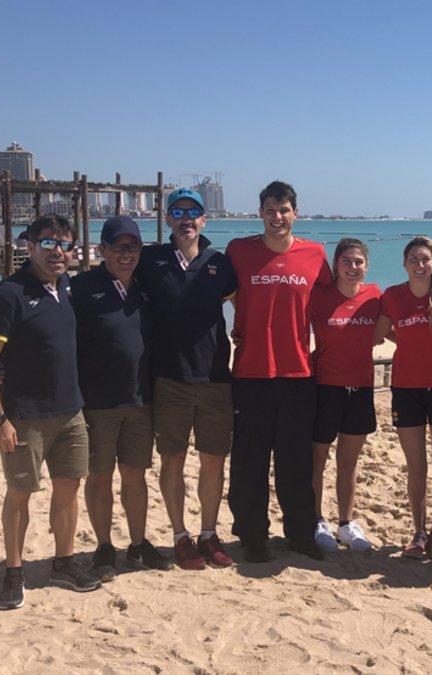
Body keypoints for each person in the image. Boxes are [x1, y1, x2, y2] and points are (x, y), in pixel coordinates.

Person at [0, 214, 100, 610]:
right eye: (48, 243)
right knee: (19, 494)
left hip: (70, 412)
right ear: (29, 247)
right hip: (24, 417)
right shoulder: (6, 295)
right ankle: (14, 572)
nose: (58, 252)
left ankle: (63, 563)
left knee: (69, 489)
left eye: (65, 244)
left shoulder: (65, 288)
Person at [226, 181, 332, 563]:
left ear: (295, 214)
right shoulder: (239, 251)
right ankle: (253, 535)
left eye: (284, 210)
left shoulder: (315, 254)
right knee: (250, 460)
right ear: (261, 213)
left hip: (298, 373)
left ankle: (300, 534)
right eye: (270, 210)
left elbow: (330, 301)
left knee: (295, 461)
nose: (277, 218)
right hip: (251, 372)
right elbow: (223, 292)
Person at [137, 187, 237, 570]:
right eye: (177, 212)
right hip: (169, 378)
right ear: (167, 220)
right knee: (173, 458)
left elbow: (236, 301)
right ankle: (180, 535)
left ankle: (209, 533)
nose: (185, 219)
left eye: (193, 212)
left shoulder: (219, 262)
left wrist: (241, 331)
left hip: (215, 377)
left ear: (204, 220)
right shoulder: (151, 260)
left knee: (213, 460)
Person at [72, 216, 170, 580]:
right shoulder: (82, 287)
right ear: (103, 250)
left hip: (141, 401)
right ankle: (103, 547)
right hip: (98, 404)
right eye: (119, 247)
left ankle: (138, 544)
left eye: (134, 247)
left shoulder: (146, 288)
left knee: (135, 476)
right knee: (99, 477)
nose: (127, 254)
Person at [374, 236, 432, 559]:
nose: (420, 265)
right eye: (414, 259)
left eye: (425, 259)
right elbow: (381, 331)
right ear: (405, 263)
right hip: (406, 388)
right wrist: (409, 343)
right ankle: (418, 532)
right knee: (416, 465)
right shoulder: (394, 296)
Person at [308, 238, 382, 552]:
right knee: (318, 461)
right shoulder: (319, 297)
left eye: (358, 262)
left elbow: (404, 323)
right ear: (336, 265)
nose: (353, 268)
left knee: (348, 463)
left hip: (361, 388)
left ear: (367, 265)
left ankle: (346, 523)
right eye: (347, 261)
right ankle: (316, 521)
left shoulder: (376, 296)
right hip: (325, 387)